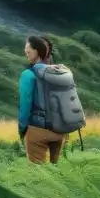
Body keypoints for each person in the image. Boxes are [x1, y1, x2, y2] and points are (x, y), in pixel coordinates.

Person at [20, 35, 66, 164]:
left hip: (37, 129)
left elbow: (25, 105)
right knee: (56, 169)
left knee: (37, 171)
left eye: (28, 48)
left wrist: (22, 128)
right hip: (60, 129)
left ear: (37, 51)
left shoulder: (28, 74)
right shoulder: (59, 72)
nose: (26, 51)